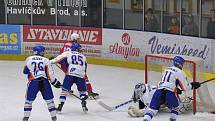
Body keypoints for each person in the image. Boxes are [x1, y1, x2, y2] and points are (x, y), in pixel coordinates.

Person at [142, 56, 198, 121]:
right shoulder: (180, 72)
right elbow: (185, 87)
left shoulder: (166, 69)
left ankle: (146, 119)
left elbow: (165, 83)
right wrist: (193, 85)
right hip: (169, 93)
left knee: (151, 110)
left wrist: (176, 89)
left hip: (158, 91)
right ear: (181, 64)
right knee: (175, 108)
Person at [22, 45, 61, 121]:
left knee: (28, 101)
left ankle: (26, 117)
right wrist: (54, 82)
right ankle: (54, 117)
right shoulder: (46, 60)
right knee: (50, 101)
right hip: (44, 82)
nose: (44, 52)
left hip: (33, 82)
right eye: (43, 51)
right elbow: (50, 74)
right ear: (40, 51)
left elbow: (25, 71)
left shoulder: (29, 59)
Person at [50, 43, 88, 113]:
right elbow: (85, 67)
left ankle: (60, 107)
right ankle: (84, 105)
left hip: (70, 74)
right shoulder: (83, 56)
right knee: (82, 91)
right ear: (77, 49)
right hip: (81, 75)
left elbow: (57, 59)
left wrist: (50, 61)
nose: (80, 50)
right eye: (79, 49)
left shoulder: (68, 53)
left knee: (64, 91)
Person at [128, 82, 193, 117]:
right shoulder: (146, 86)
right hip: (166, 95)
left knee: (178, 111)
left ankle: (186, 102)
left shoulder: (148, 97)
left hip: (167, 100)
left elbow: (149, 110)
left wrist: (138, 112)